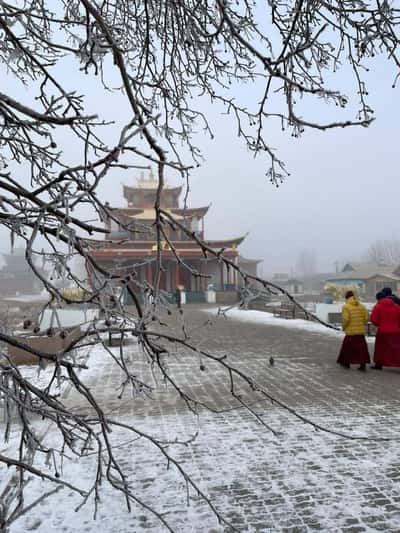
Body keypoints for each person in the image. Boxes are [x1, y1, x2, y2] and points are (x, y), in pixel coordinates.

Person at [337, 290, 370, 371]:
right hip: (360, 332)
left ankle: (346, 363)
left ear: (346, 297)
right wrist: (362, 324)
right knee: (362, 349)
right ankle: (363, 365)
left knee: (348, 348)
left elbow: (346, 319)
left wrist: (344, 327)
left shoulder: (346, 306)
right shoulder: (362, 306)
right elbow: (366, 317)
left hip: (351, 332)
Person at [370, 290, 400, 369]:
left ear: (378, 299)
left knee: (380, 348)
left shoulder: (378, 306)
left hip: (382, 331)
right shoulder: (396, 306)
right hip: (395, 331)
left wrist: (379, 324)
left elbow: (374, 320)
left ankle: (378, 365)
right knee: (396, 348)